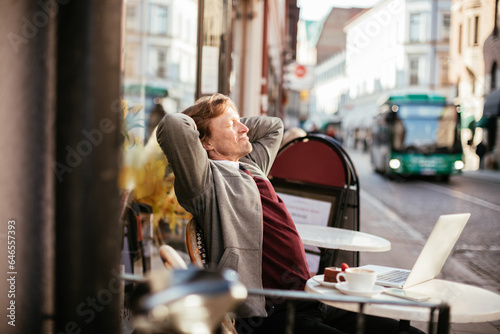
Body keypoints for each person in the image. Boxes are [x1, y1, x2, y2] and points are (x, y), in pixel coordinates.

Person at [156, 93, 423, 334]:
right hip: (271, 312)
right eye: (231, 125)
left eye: (240, 121)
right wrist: (211, 112)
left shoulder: (250, 166)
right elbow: (172, 125)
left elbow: (274, 127)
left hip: (311, 296)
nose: (244, 128)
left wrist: (228, 117)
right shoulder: (205, 182)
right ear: (205, 143)